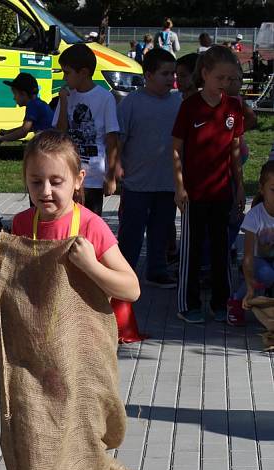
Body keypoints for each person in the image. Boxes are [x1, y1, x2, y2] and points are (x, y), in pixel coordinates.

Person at [0, 129, 139, 301]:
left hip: (77, 327)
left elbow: (132, 290)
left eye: (56, 182)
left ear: (78, 180)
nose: (45, 191)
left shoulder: (90, 226)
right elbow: (14, 279)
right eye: (36, 182)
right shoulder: (21, 222)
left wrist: (92, 266)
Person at [172, 45, 245, 324]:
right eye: (220, 78)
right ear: (204, 74)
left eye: (230, 79)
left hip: (222, 192)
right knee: (191, 249)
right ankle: (187, 303)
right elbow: (176, 148)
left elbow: (235, 150)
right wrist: (180, 186)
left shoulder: (233, 107)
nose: (225, 84)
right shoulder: (189, 106)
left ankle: (220, 301)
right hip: (194, 193)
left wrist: (238, 186)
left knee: (221, 248)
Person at [117, 48, 181, 289]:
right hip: (137, 183)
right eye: (165, 74)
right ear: (148, 74)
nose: (170, 79)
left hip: (167, 182)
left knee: (162, 230)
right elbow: (120, 139)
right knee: (131, 231)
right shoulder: (131, 103)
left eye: (173, 74)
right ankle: (124, 272)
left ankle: (157, 270)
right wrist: (116, 166)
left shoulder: (178, 102)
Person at [53, 43, 119, 217]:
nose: (64, 78)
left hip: (93, 178)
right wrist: (64, 102)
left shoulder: (105, 98)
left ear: (83, 72)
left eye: (67, 73)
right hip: (68, 174)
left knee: (89, 225)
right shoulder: (66, 95)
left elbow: (112, 139)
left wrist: (110, 177)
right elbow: (59, 134)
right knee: (67, 222)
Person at [227, 161, 274, 325]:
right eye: (273, 190)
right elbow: (247, 257)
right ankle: (235, 301)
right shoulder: (254, 216)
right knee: (267, 275)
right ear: (262, 189)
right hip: (256, 262)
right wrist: (249, 285)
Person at [0, 72, 54, 142]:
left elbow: (23, 132)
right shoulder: (38, 103)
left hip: (49, 144)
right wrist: (8, 132)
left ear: (23, 94)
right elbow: (28, 128)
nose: (14, 98)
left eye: (15, 94)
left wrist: (2, 138)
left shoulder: (33, 105)